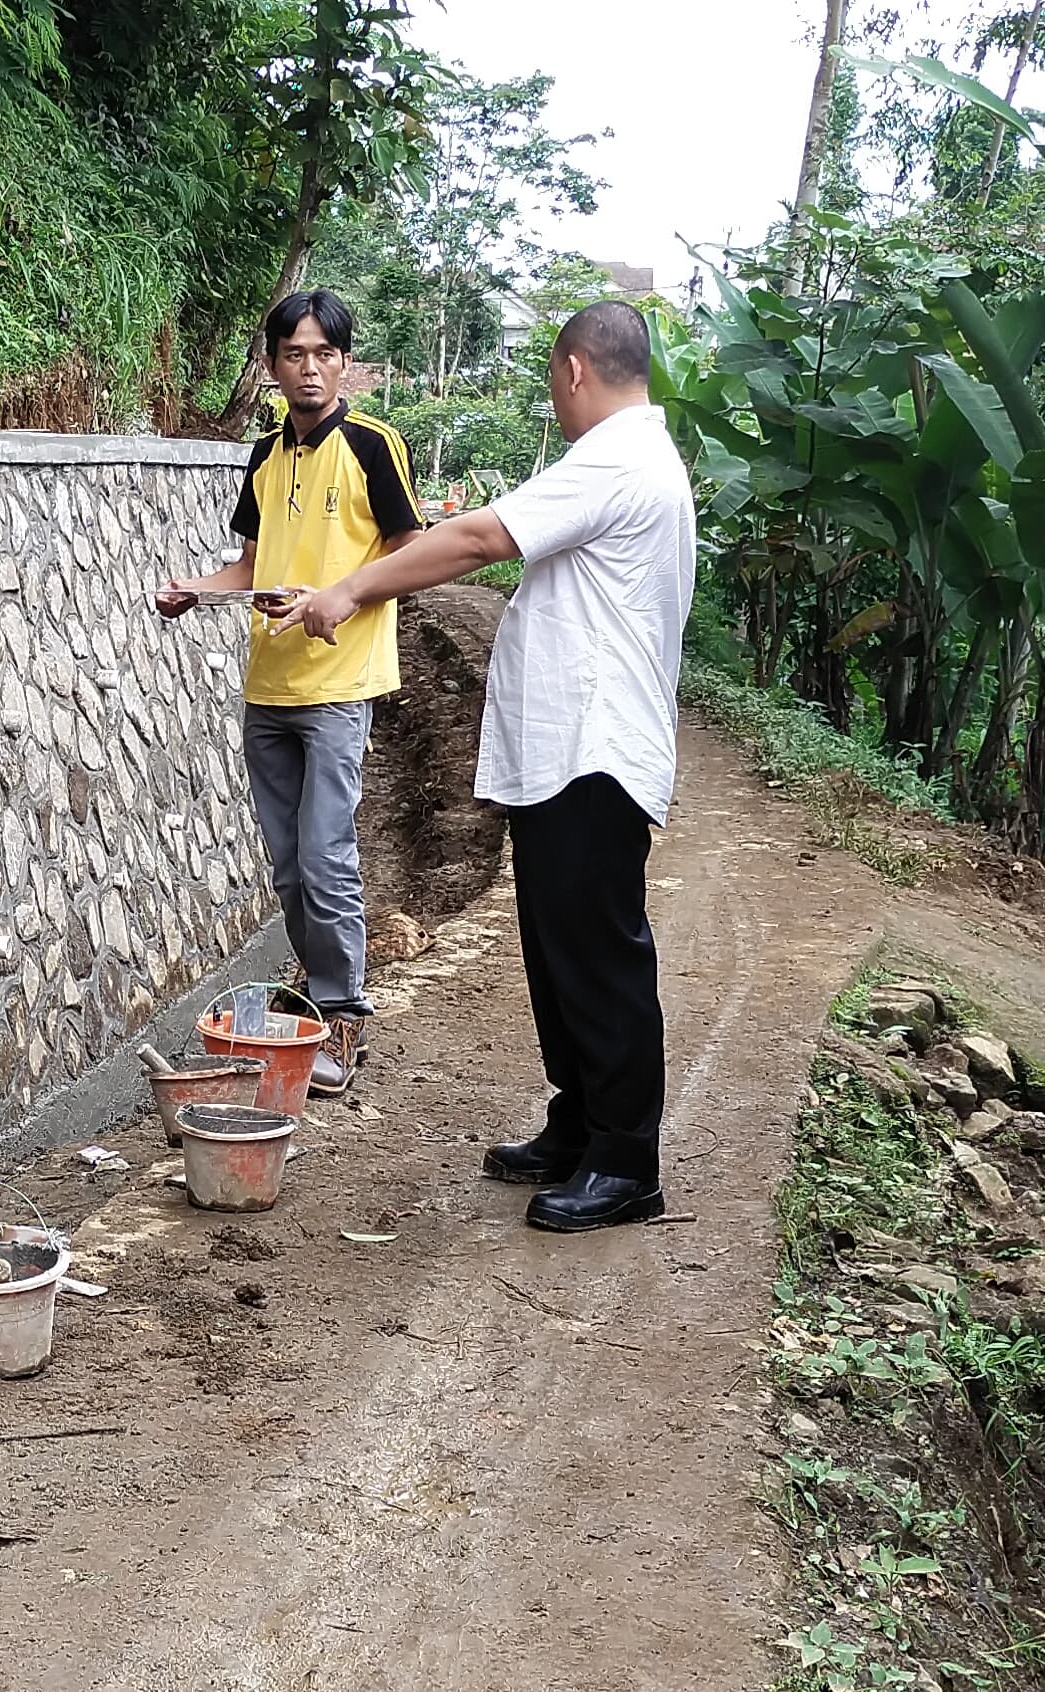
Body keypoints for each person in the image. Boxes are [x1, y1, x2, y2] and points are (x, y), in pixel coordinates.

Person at [269, 300, 694, 1232]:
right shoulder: (631, 456)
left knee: (598, 957)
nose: (555, 393)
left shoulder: (617, 457)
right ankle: (579, 1125)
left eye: (552, 379)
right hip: (565, 755)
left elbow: (476, 538)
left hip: (595, 753)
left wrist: (347, 589)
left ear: (574, 370)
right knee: (556, 951)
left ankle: (626, 1161)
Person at [161, 289, 426, 1098]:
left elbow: (413, 549)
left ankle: (344, 1016)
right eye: (293, 354)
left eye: (323, 354)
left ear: (346, 363)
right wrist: (195, 590)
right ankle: (317, 987)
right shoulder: (267, 454)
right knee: (286, 865)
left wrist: (336, 597)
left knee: (325, 855)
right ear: (272, 364)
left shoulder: (374, 446)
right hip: (268, 685)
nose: (308, 369)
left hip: (341, 685)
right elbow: (251, 565)